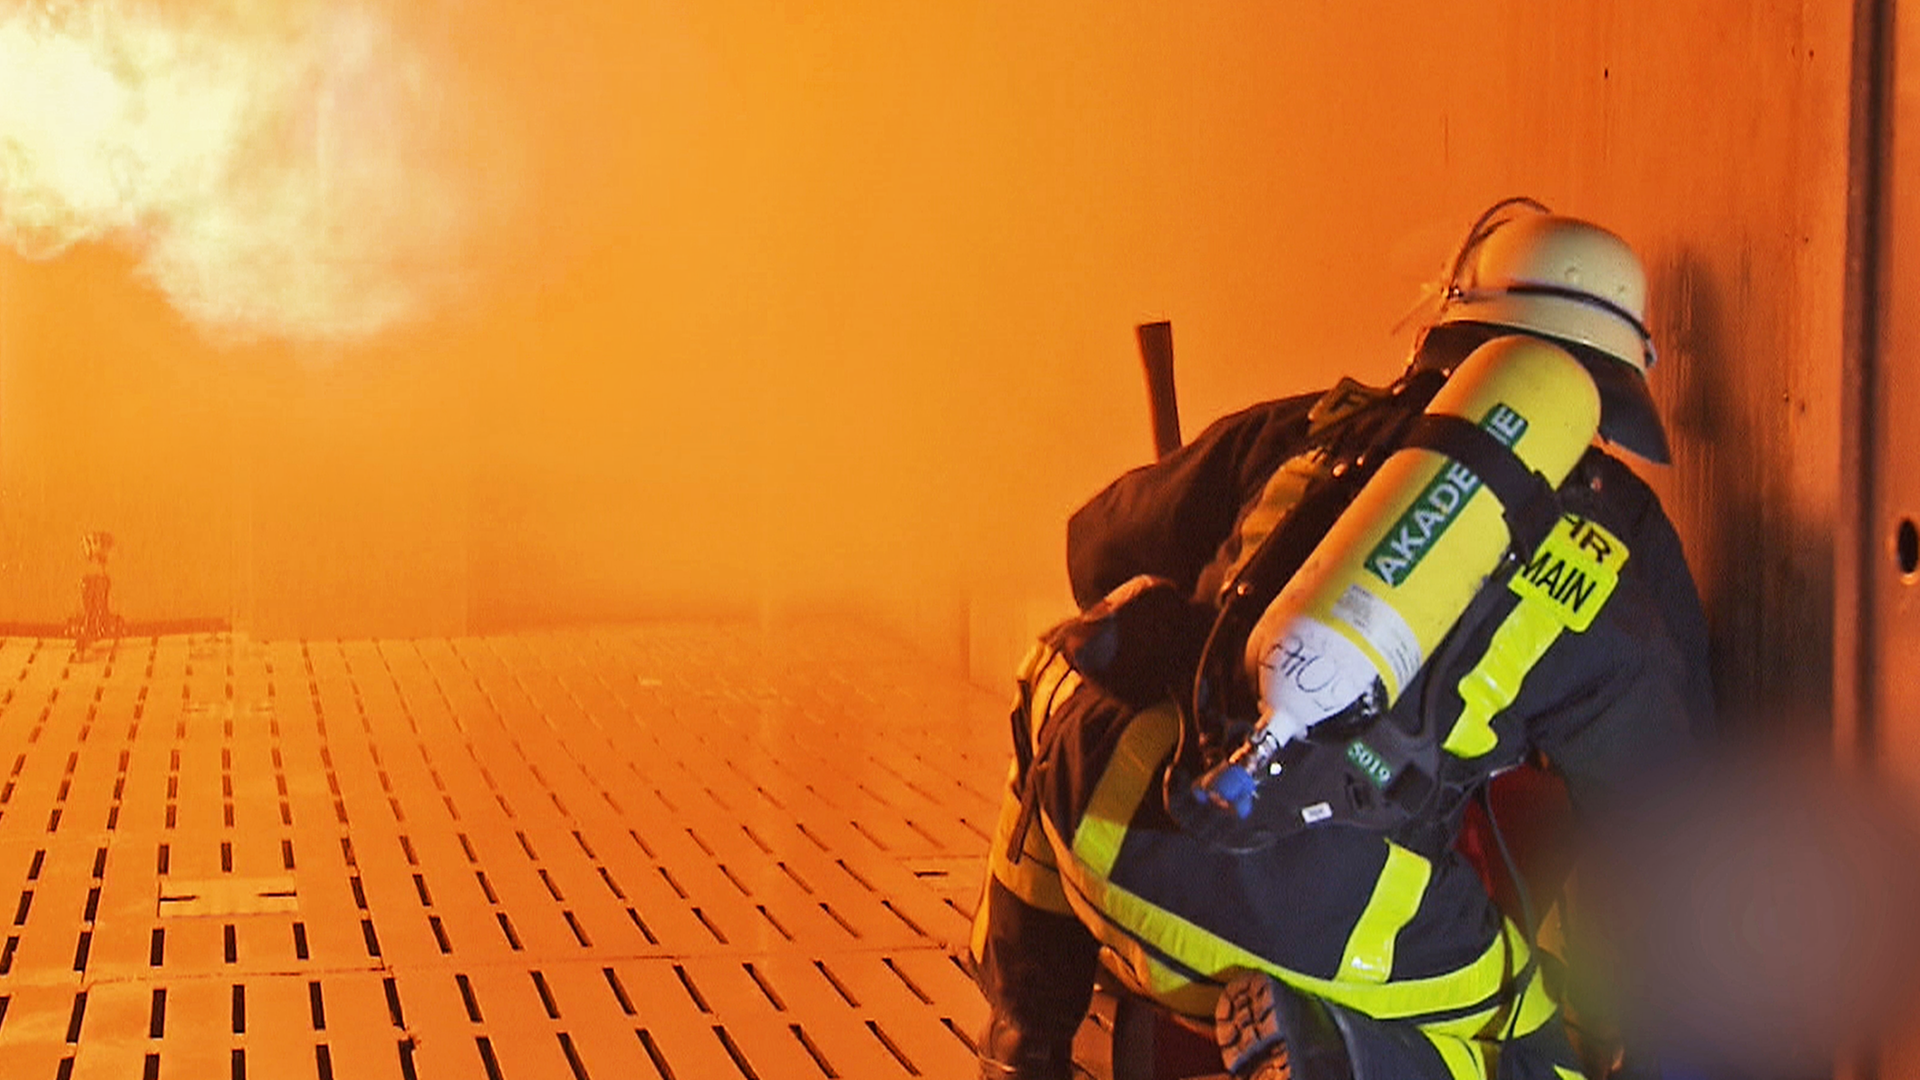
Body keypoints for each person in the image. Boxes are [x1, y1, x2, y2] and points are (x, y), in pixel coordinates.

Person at [969, 200, 1714, 1080]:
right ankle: (1331, 1051)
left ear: (1451, 325)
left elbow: (1095, 550)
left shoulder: (1318, 425)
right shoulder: (1616, 544)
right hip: (1330, 930)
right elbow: (1666, 815)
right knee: (1528, 1048)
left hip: (1105, 842)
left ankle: (1024, 1031)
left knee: (1054, 670)